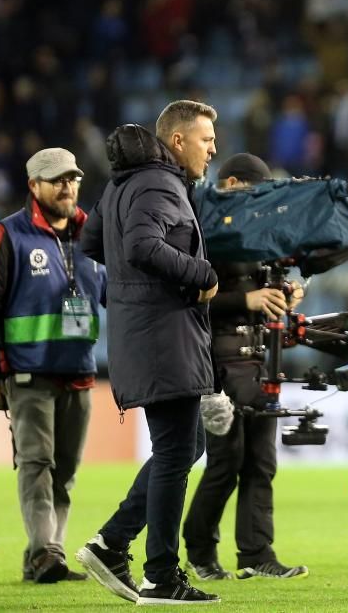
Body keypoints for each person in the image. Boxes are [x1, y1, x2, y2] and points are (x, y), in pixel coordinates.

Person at [75, 105, 221, 606]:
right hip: (164, 338)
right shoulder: (159, 184)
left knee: (185, 446)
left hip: (146, 334)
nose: (213, 148)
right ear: (177, 141)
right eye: (206, 138)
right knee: (178, 452)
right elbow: (140, 245)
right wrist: (202, 275)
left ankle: (113, 542)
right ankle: (158, 573)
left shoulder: (123, 183)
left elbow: (92, 240)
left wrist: (132, 289)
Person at [0, 148, 105, 582]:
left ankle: (47, 556)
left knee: (64, 472)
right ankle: (46, 552)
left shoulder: (95, 237)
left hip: (80, 371)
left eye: (72, 178)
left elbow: (116, 294)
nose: (66, 186)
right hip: (28, 373)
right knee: (36, 463)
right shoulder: (8, 234)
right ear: (34, 186)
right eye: (56, 180)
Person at [183, 153, 309, 582]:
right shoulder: (205, 231)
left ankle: (257, 553)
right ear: (232, 184)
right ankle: (200, 549)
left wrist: (282, 294)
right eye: (255, 189)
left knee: (261, 461)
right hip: (220, 358)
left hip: (258, 357)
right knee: (226, 459)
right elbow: (189, 296)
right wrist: (247, 300)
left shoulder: (259, 233)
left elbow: (262, 292)